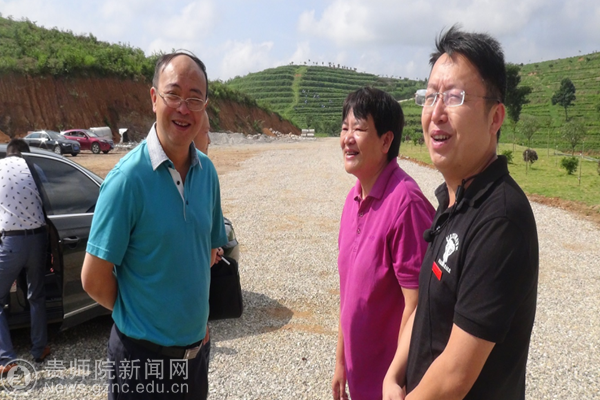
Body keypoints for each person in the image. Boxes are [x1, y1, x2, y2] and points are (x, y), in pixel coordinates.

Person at [382, 26, 539, 400]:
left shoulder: (500, 220)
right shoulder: (454, 200)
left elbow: (455, 375)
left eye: (454, 97)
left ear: (495, 117)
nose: (436, 112)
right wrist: (393, 375)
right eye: (430, 96)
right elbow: (425, 307)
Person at [81, 50, 228, 400]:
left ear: (205, 106)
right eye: (173, 94)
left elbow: (207, 253)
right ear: (153, 98)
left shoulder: (207, 173)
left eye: (195, 99)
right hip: (141, 361)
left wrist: (193, 322)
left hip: (194, 359)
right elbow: (93, 278)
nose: (183, 108)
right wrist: (142, 317)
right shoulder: (127, 180)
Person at [333, 87, 435, 400]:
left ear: (386, 141)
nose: (348, 138)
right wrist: (341, 362)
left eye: (359, 129)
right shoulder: (353, 198)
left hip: (391, 386)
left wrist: (396, 378)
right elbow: (349, 293)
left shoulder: (406, 204)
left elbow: (418, 305)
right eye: (345, 128)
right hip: (360, 377)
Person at [0, 139, 50, 374]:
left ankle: (6, 359)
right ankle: (39, 349)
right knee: (36, 295)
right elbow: (47, 197)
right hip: (38, 239)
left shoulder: (0, 168)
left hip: (12, 242)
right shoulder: (34, 167)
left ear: (8, 153)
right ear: (25, 154)